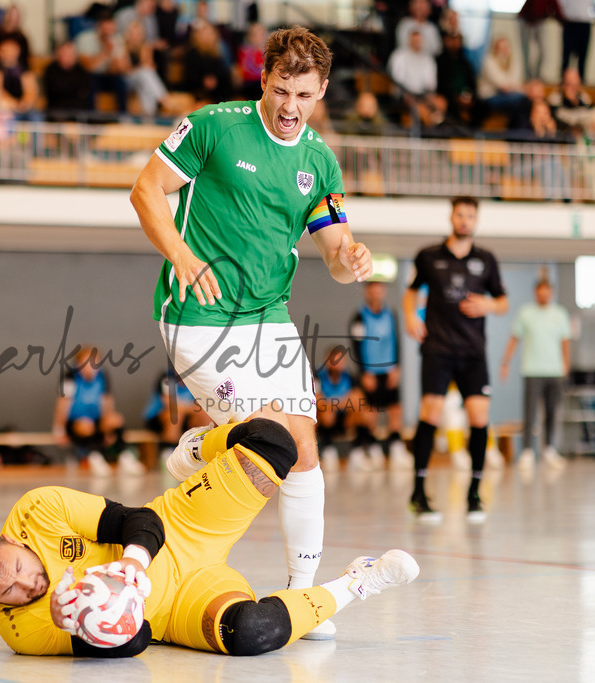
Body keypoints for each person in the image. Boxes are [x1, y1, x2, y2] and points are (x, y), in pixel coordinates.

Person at [130, 25, 374, 641]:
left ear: (321, 93)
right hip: (198, 313)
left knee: (306, 448)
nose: (292, 107)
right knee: (270, 443)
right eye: (283, 90)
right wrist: (183, 256)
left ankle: (303, 596)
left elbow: (335, 252)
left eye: (307, 95)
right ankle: (199, 449)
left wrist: (352, 260)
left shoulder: (317, 157)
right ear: (264, 80)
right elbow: (145, 191)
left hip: (269, 316)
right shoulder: (213, 126)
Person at [0, 419, 420, 657]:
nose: (26, 586)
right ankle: (359, 583)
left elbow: (137, 520)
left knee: (273, 441)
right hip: (179, 605)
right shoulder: (24, 632)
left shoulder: (37, 511)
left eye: (18, 568)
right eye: (6, 593)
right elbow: (136, 644)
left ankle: (195, 447)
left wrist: (131, 565)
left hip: (176, 528)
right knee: (253, 634)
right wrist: (87, 616)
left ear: (11, 541)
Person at [403, 196, 508, 524]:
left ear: (476, 220)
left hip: (473, 352)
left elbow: (503, 301)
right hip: (438, 349)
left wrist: (488, 306)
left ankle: (474, 494)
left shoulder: (486, 260)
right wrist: (410, 317)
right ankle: (418, 492)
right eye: (460, 214)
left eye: (470, 216)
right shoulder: (429, 256)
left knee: (479, 418)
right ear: (452, 217)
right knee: (430, 413)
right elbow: (411, 291)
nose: (465, 220)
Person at [499, 279, 571, 473]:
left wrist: (566, 365)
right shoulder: (526, 313)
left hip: (554, 371)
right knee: (530, 413)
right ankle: (528, 451)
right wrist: (505, 362)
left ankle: (549, 449)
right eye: (540, 292)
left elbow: (565, 342)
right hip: (532, 370)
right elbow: (514, 338)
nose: (543, 296)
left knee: (551, 411)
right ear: (535, 293)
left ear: (551, 293)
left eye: (546, 292)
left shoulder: (560, 314)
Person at [52, 347, 146, 476]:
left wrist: (108, 428)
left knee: (115, 420)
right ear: (79, 364)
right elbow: (62, 404)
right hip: (76, 422)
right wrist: (59, 429)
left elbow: (107, 401)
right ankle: (94, 457)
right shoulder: (70, 377)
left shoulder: (102, 375)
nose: (91, 366)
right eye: (86, 362)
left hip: (96, 419)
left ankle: (125, 457)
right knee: (86, 425)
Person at [350, 280, 411, 469]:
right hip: (370, 371)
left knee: (395, 410)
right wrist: (364, 372)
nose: (376, 292)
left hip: (389, 370)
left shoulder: (390, 313)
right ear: (367, 292)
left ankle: (395, 446)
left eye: (379, 288)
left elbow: (396, 340)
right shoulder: (359, 316)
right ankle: (372, 447)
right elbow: (356, 345)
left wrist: (397, 367)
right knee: (371, 412)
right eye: (372, 288)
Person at [313, 348, 371, 472]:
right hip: (326, 419)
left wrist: (334, 404)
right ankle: (328, 450)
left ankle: (357, 451)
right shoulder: (318, 376)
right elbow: (318, 400)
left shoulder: (349, 376)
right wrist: (342, 402)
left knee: (365, 412)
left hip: (345, 417)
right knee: (326, 412)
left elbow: (359, 399)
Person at [142, 368, 207, 462]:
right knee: (175, 414)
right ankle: (169, 451)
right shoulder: (167, 378)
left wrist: (188, 407)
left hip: (187, 416)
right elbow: (170, 404)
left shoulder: (197, 379)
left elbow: (203, 406)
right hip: (158, 418)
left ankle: (201, 451)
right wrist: (192, 407)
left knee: (204, 415)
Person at [75, 10, 131, 113]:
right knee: (90, 83)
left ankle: (123, 116)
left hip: (109, 75)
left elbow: (123, 68)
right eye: (105, 28)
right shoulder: (85, 38)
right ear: (99, 27)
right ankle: (92, 118)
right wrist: (105, 52)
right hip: (90, 76)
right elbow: (88, 67)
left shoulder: (117, 40)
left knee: (121, 83)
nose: (108, 32)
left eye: (111, 28)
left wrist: (116, 63)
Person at [41, 40, 93, 122]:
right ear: (58, 54)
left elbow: (84, 92)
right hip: (56, 110)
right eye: (65, 54)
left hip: (77, 110)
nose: (68, 57)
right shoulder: (50, 70)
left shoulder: (81, 70)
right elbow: (53, 92)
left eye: (70, 54)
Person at [518, 0, 563, 81]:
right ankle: (529, 76)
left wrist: (562, 19)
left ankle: (538, 76)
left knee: (543, 51)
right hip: (529, 23)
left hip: (541, 21)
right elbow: (528, 8)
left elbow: (555, 7)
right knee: (530, 52)